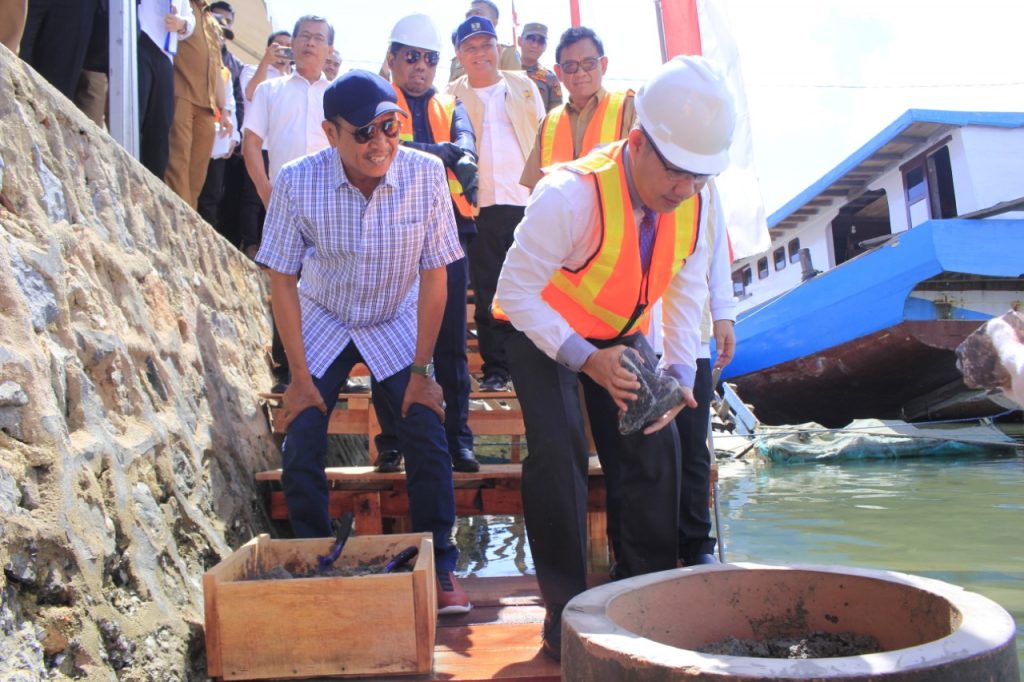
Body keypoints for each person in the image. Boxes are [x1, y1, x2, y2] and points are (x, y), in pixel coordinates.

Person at [493, 55, 736, 661]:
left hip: (620, 331)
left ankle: (641, 596)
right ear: (638, 142)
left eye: (698, 177)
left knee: (657, 440)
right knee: (560, 451)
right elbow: (514, 293)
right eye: (675, 171)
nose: (683, 189)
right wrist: (585, 359)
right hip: (542, 328)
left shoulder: (696, 202)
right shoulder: (567, 196)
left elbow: (685, 288)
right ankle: (566, 612)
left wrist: (678, 375)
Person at [255, 69, 471, 615]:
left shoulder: (426, 174)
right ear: (331, 133)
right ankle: (315, 558)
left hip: (393, 315)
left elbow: (436, 276)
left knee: (426, 429)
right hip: (324, 315)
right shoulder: (296, 180)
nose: (380, 144)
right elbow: (282, 279)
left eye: (390, 127)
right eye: (364, 132)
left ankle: (440, 562)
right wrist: (298, 378)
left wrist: (421, 373)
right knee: (302, 435)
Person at [374, 13, 480, 475]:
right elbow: (388, 150)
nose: (421, 66)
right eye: (412, 56)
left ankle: (459, 441)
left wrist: (448, 153)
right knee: (386, 340)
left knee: (451, 346)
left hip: (448, 234)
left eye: (430, 59)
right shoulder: (376, 103)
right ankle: (392, 442)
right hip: (390, 234)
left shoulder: (453, 105)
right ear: (393, 57)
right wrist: (443, 154)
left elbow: (467, 150)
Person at [447, 16, 544, 393]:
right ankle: (497, 369)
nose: (480, 54)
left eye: (486, 45)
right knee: (488, 292)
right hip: (478, 208)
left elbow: (544, 139)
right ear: (459, 55)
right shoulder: (450, 95)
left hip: (526, 205)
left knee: (529, 288)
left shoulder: (523, 86)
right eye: (470, 48)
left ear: (498, 48)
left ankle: (533, 366)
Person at [243, 15, 333, 394]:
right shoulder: (269, 91)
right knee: (286, 284)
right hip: (284, 203)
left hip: (332, 204)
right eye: (304, 37)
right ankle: (286, 370)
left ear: (329, 50)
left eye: (318, 38)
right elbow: (251, 144)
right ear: (292, 44)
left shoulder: (338, 95)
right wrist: (267, 193)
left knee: (330, 286)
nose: (310, 43)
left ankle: (330, 368)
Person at [673, 190, 736, 567]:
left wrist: (723, 313)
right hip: (633, 332)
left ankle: (696, 545)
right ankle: (644, 551)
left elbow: (715, 249)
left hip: (689, 333)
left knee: (693, 448)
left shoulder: (707, 182)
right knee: (639, 451)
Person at [521, 26, 635, 190]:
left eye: (589, 63)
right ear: (559, 72)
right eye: (570, 66)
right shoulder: (547, 124)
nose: (580, 73)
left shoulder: (629, 109)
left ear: (603, 65)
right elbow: (535, 190)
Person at [166, 0, 225, 207]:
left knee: (197, 175)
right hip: (181, 92)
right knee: (178, 164)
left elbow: (217, 67)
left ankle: (188, 217)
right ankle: (176, 216)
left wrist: (225, 109)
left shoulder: (211, 20)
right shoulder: (182, 5)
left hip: (208, 107)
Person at [137, 0, 195, 180]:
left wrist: (182, 24)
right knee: (135, 111)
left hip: (165, 56)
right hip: (141, 38)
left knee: (160, 126)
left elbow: (189, 17)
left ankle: (152, 183)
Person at [448, 0, 520, 82]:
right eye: (468, 14)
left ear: (494, 21)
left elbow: (516, 86)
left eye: (478, 13)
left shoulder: (507, 53)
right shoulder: (457, 60)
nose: (472, 17)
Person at [518, 23, 561, 112]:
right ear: (520, 41)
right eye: (531, 39)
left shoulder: (550, 78)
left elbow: (556, 114)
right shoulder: (505, 71)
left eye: (540, 42)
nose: (535, 45)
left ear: (545, 47)